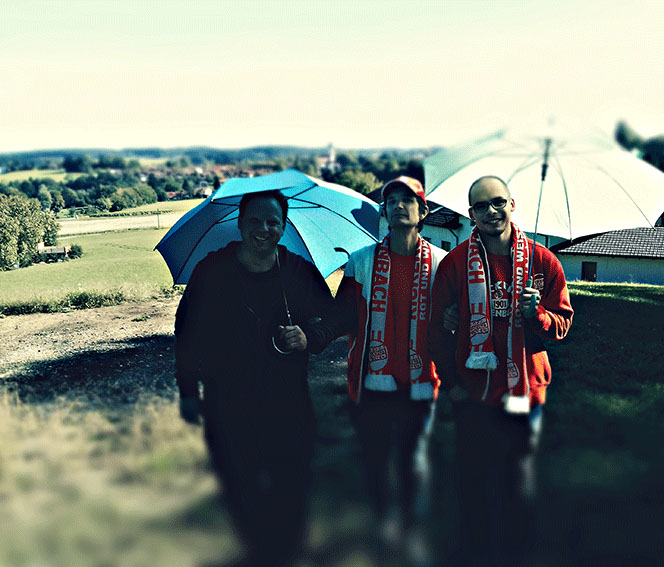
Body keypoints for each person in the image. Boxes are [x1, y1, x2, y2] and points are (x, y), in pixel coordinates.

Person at [174, 190, 335, 567]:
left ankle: (288, 552)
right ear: (240, 224)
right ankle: (260, 550)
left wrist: (311, 336)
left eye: (273, 221)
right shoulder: (211, 271)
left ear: (283, 226)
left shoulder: (297, 271)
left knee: (292, 483)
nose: (264, 228)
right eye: (255, 221)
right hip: (226, 402)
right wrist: (187, 391)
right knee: (239, 485)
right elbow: (187, 333)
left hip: (288, 403)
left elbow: (336, 316)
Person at [429, 175, 573, 567]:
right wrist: (453, 384)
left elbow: (562, 324)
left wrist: (537, 315)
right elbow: (435, 331)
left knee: (517, 481)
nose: (490, 211)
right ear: (470, 214)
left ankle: (516, 553)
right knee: (473, 482)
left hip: (525, 392)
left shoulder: (543, 261)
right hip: (473, 394)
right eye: (480, 206)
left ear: (512, 204)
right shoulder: (456, 263)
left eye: (497, 202)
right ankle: (474, 553)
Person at [334, 176, 446, 558]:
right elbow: (342, 317)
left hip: (420, 380)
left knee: (413, 460)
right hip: (372, 382)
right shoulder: (362, 261)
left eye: (407, 200)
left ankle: (411, 529)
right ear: (384, 210)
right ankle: (383, 523)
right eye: (391, 200)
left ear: (423, 211)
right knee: (376, 458)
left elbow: (453, 318)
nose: (398, 205)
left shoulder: (441, 264)